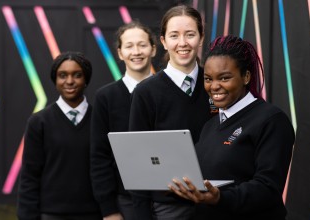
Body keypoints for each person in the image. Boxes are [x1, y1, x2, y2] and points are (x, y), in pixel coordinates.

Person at [169, 35, 295, 220]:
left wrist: (220, 198)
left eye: (224, 78)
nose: (214, 86)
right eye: (208, 79)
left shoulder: (271, 120)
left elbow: (268, 188)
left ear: (246, 76)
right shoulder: (210, 125)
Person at [128, 5, 214, 220]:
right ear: (164, 41)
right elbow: (137, 159)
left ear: (201, 38)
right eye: (174, 35)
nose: (183, 43)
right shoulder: (146, 92)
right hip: (168, 207)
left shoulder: (216, 85)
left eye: (190, 34)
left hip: (216, 201)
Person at [17, 51, 102, 220]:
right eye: (62, 75)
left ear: (86, 80)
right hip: (51, 214)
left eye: (77, 75)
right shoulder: (38, 122)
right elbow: (30, 175)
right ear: (55, 80)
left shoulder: (101, 119)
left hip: (95, 213)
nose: (69, 81)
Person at [90, 21, 157, 220]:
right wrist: (109, 209)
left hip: (169, 197)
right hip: (125, 200)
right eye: (129, 46)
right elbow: (99, 156)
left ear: (153, 49)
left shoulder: (167, 90)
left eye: (142, 45)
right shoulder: (106, 97)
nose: (136, 51)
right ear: (120, 53)